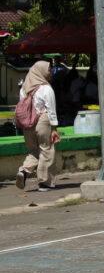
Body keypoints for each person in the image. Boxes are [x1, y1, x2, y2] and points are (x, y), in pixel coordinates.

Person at [14, 61, 61, 191]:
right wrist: (54, 129)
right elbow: (51, 110)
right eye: (49, 70)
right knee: (46, 150)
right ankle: (44, 183)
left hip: (27, 124)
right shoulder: (46, 88)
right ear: (41, 71)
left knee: (34, 151)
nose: (51, 73)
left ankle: (23, 172)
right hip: (42, 121)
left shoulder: (24, 88)